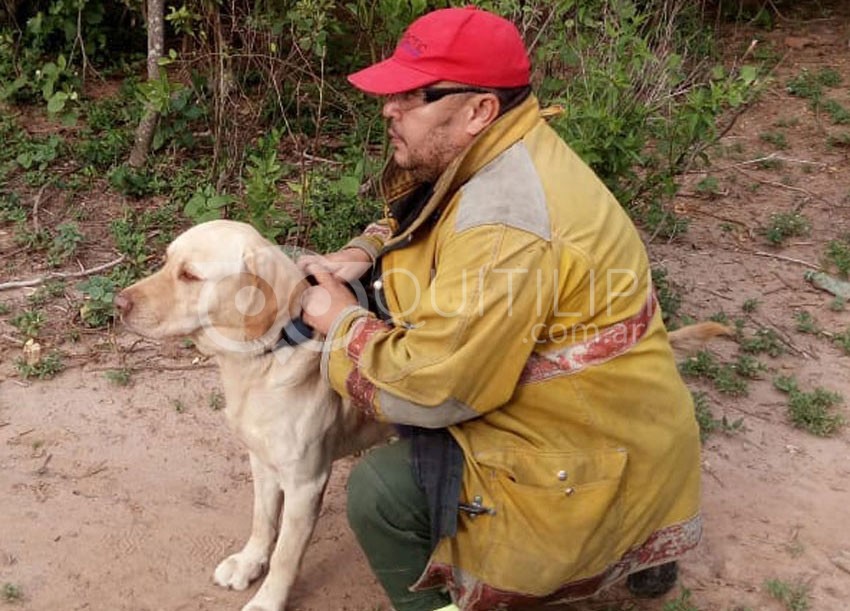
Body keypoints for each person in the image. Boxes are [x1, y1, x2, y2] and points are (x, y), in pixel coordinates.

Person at [298, 7, 702, 611]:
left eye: (414, 96)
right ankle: (646, 544)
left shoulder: (503, 224)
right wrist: (365, 250)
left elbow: (436, 391)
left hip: (587, 456)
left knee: (380, 494)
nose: (391, 109)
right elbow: (423, 214)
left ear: (479, 109)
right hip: (635, 424)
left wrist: (341, 327)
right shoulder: (505, 149)